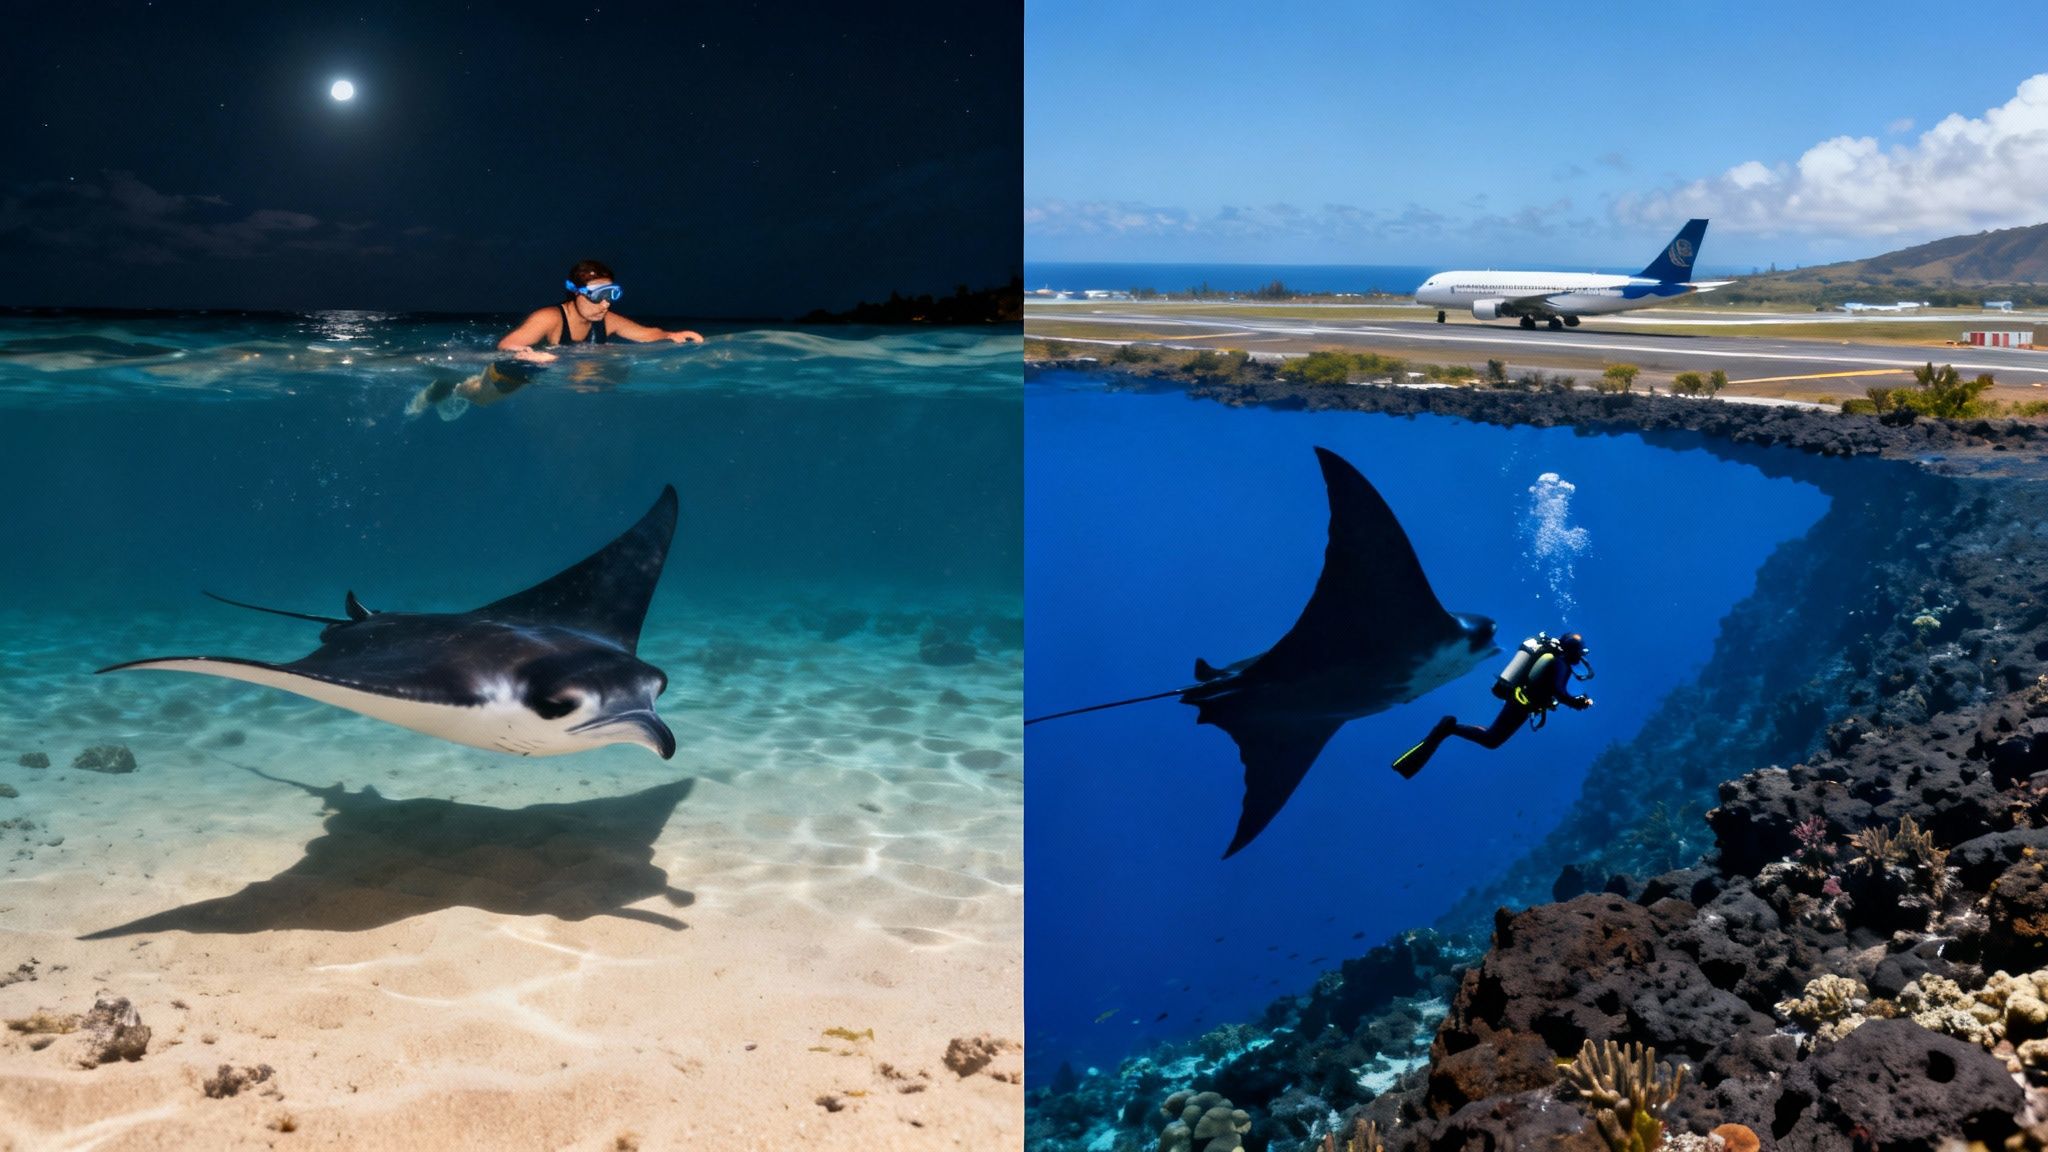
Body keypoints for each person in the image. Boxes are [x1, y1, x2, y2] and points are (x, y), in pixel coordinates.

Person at [407, 259, 703, 418]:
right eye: (600, 296)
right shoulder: (549, 318)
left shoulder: (606, 320)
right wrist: (527, 353)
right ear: (577, 293)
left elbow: (646, 334)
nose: (606, 304)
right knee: (479, 398)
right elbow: (506, 345)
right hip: (518, 371)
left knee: (614, 369)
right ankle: (451, 387)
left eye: (612, 295)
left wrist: (671, 335)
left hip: (552, 372)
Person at [1391, 631, 1594, 778]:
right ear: (1574, 653)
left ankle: (1449, 728)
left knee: (1492, 738)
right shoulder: (1561, 664)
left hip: (1518, 700)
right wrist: (1577, 703)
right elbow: (1559, 690)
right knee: (1492, 740)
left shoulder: (1552, 657)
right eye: (1579, 654)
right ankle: (1449, 727)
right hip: (1521, 705)